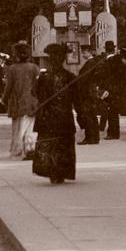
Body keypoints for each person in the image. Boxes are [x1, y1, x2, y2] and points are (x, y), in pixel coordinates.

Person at [32, 43, 79, 183]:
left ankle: (52, 171)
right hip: (63, 115)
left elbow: (35, 93)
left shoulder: (44, 77)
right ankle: (61, 172)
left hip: (49, 115)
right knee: (62, 143)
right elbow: (76, 99)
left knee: (51, 143)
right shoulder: (70, 77)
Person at [0, 41, 40, 158]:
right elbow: (39, 85)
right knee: (29, 126)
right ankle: (29, 148)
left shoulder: (12, 68)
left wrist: (4, 99)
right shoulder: (34, 68)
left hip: (16, 101)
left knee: (17, 126)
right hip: (32, 101)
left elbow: (9, 87)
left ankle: (17, 148)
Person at [98, 40, 126, 139]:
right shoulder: (120, 60)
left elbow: (106, 77)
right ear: (113, 50)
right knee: (114, 112)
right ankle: (115, 133)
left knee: (111, 112)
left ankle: (111, 133)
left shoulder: (108, 61)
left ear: (106, 51)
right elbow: (124, 76)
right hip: (118, 90)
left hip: (111, 90)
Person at [74, 49, 102, 145]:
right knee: (92, 115)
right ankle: (95, 137)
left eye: (84, 52)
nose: (82, 54)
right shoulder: (93, 62)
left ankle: (90, 137)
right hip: (91, 92)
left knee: (87, 115)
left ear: (89, 52)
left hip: (87, 93)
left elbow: (84, 79)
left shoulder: (90, 63)